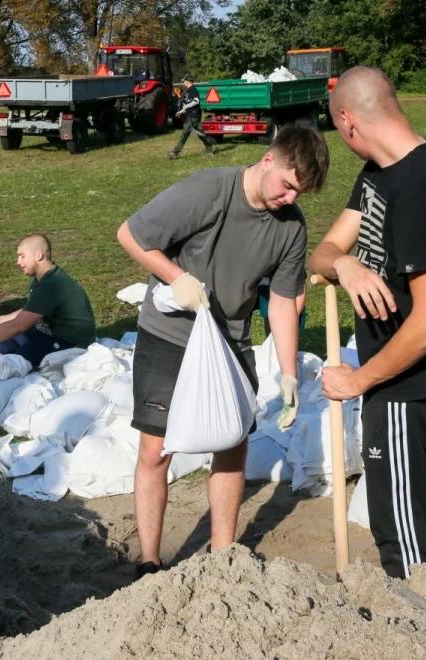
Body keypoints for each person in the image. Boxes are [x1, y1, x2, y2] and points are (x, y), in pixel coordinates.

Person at [118, 125, 330, 578]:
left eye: (301, 192)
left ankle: (222, 556)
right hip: (170, 333)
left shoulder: (291, 228)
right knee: (156, 450)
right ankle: (149, 561)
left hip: (230, 341)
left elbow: (283, 302)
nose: (291, 198)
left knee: (233, 445)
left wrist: (289, 372)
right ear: (269, 159)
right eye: (289, 185)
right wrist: (176, 277)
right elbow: (130, 234)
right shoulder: (209, 190)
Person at [308, 66, 426, 580]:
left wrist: (357, 381)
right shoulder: (381, 174)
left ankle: (417, 620)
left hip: (407, 383)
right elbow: (325, 252)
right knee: (390, 505)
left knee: (400, 531)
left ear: (349, 122)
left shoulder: (422, 190)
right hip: (387, 376)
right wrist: (347, 265)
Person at [0, 234, 96, 366]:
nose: (18, 262)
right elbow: (31, 309)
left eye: (22, 256)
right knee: (3, 345)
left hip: (70, 342)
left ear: (38, 255)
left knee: (17, 360)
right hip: (49, 333)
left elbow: (17, 326)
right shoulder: (42, 279)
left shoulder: (51, 284)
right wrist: (1, 319)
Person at [169, 75, 216, 159]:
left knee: (185, 133)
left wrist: (186, 107)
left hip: (193, 115)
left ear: (187, 82)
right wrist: (181, 111)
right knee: (200, 134)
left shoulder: (193, 90)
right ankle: (210, 146)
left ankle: (175, 152)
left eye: (184, 81)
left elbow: (196, 101)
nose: (183, 83)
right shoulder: (187, 91)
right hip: (190, 115)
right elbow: (186, 104)